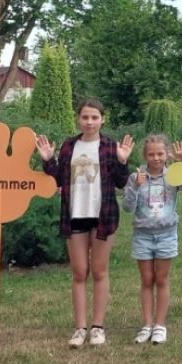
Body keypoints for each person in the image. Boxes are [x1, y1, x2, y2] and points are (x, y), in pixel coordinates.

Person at [36, 99, 134, 349]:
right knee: (79, 272)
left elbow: (121, 182)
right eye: (85, 117)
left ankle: (98, 327)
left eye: (94, 117)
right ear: (78, 119)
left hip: (103, 215)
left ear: (102, 119)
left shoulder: (110, 146)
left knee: (99, 271)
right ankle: (80, 328)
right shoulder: (69, 145)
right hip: (74, 214)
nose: (89, 122)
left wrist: (123, 161)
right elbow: (58, 177)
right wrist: (48, 160)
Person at [121, 133, 182, 344]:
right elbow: (128, 206)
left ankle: (160, 325)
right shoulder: (136, 176)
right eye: (151, 154)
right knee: (147, 280)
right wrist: (135, 186)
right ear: (145, 155)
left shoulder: (174, 175)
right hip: (143, 235)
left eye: (160, 154)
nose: (156, 158)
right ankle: (147, 324)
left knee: (162, 279)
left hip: (167, 234)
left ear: (166, 154)